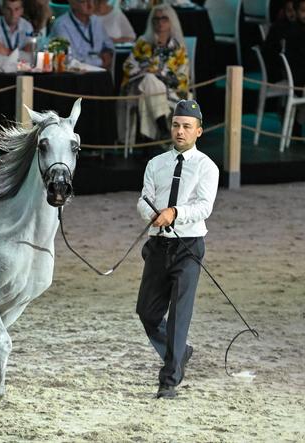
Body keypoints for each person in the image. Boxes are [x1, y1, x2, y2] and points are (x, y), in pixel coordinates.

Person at [135, 99, 218, 400]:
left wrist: (174, 213)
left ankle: (169, 380)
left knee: (179, 314)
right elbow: (143, 200)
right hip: (158, 246)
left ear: (198, 131)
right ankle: (181, 352)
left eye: (186, 127)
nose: (180, 131)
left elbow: (204, 206)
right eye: (176, 125)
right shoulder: (155, 164)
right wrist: (153, 214)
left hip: (188, 247)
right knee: (146, 312)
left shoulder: (206, 167)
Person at [120, 4, 189, 142]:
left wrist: (162, 76)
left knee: (148, 92)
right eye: (156, 19)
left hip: (167, 89)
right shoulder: (143, 42)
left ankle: (150, 142)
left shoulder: (178, 47)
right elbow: (128, 65)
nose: (160, 23)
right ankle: (162, 127)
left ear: (171, 21)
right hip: (137, 86)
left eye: (164, 19)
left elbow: (183, 75)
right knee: (149, 79)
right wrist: (144, 70)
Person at [50, 0, 114, 68]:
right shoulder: (61, 25)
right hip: (75, 75)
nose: (90, 5)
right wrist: (100, 61)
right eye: (84, 2)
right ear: (72, 4)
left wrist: (108, 53)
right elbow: (69, 60)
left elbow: (109, 45)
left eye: (92, 1)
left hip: (99, 72)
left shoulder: (96, 21)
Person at [262, 0, 296, 83]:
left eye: (295, 10)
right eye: (289, 10)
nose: (293, 14)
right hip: (279, 74)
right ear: (284, 11)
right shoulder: (279, 28)